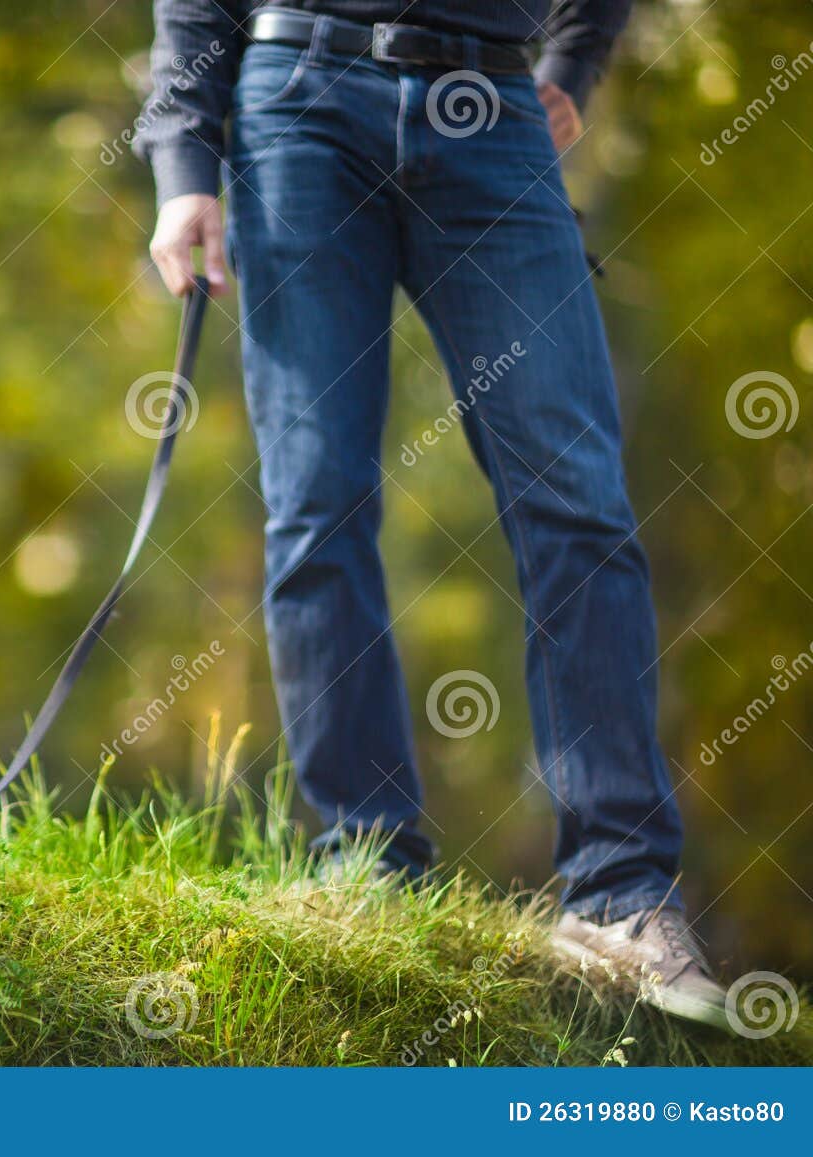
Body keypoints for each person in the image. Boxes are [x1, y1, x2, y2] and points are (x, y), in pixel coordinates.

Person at [133, 1, 728, 1026]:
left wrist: (574, 64)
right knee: (317, 504)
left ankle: (622, 897)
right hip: (297, 101)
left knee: (578, 502)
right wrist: (184, 161)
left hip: (491, 108)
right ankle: (367, 868)